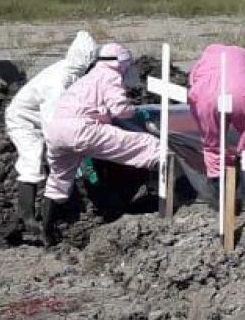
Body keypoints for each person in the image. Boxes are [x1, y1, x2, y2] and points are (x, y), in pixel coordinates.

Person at [41, 43, 159, 245]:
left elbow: (93, 109)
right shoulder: (110, 75)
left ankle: (46, 233)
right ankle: (161, 199)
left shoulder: (87, 79)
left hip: (55, 132)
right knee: (151, 146)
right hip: (81, 130)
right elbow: (119, 109)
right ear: (121, 63)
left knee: (58, 182)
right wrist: (137, 112)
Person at [4, 31, 98, 241]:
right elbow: (53, 130)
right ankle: (27, 217)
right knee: (32, 158)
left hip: (45, 117)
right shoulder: (56, 85)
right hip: (24, 120)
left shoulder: (75, 72)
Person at [188, 45, 245, 199]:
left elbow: (192, 80)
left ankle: (225, 199)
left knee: (213, 147)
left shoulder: (205, 57)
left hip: (206, 96)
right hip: (241, 94)